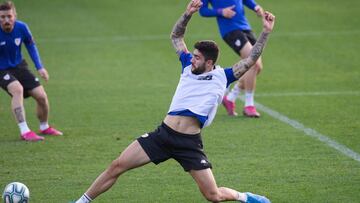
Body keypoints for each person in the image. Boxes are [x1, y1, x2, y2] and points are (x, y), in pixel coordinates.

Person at [73, 0, 275, 202]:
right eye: (193, 55)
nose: (192, 59)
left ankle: (245, 197)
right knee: (117, 166)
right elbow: (176, 36)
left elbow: (251, 59)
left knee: (213, 196)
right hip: (163, 135)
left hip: (188, 143)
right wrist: (187, 14)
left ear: (209, 62)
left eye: (197, 57)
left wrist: (265, 32)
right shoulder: (187, 65)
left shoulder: (224, 76)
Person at [0, 1, 62, 141]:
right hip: (1, 69)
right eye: (2, 17)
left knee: (41, 96)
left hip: (19, 66)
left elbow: (30, 45)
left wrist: (39, 67)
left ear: (15, 15)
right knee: (17, 89)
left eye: (9, 16)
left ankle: (44, 126)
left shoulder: (22, 27)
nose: (6, 20)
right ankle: (24, 131)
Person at [199, 0, 265, 117]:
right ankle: (249, 105)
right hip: (229, 29)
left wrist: (255, 7)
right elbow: (202, 10)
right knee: (252, 64)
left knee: (257, 67)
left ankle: (231, 97)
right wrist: (221, 11)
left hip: (245, 26)